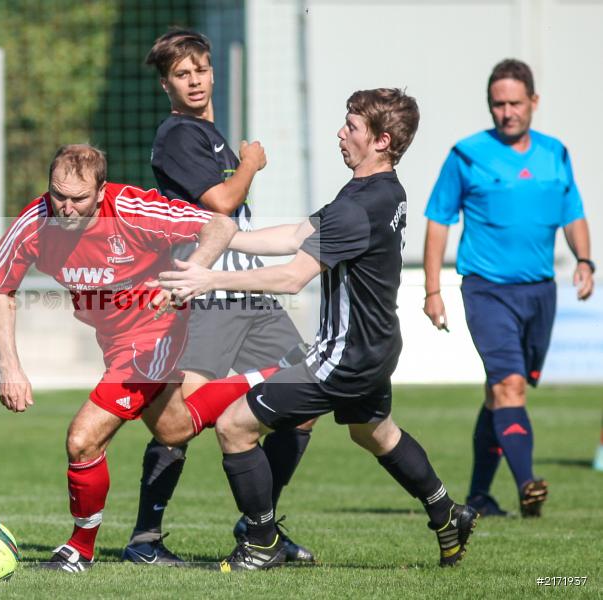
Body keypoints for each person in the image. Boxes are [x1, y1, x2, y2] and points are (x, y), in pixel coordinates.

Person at [155, 89, 478, 570]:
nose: (340, 133)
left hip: (341, 357)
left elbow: (291, 276)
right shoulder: (384, 191)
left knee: (234, 426)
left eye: (351, 127)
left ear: (382, 140)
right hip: (377, 346)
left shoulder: (357, 205)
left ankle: (261, 542)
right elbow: (296, 234)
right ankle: (446, 512)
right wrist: (229, 237)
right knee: (374, 433)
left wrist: (210, 277)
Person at [0, 144, 301, 572]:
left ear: (101, 192)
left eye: (78, 199)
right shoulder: (35, 221)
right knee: (175, 428)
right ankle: (274, 374)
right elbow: (2, 287)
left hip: (154, 333)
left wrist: (192, 276)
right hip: (113, 340)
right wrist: (10, 367)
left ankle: (79, 549)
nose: (66, 207)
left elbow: (219, 224)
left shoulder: (134, 210)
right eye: (58, 194)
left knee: (82, 438)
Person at [121, 27, 315, 566]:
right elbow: (223, 203)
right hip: (211, 299)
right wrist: (251, 162)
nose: (195, 81)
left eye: (201, 70)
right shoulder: (179, 135)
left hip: (247, 294)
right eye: (182, 75)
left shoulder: (209, 134)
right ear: (166, 85)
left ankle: (261, 528)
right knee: (179, 422)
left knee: (303, 403)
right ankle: (145, 539)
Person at [423, 59, 594, 519]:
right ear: (489, 106)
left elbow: (572, 211)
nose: (507, 112)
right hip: (486, 289)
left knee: (499, 393)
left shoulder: (555, 153)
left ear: (534, 102)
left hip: (540, 292)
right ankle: (527, 485)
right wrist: (432, 289)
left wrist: (584, 260)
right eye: (498, 104)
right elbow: (439, 220)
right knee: (509, 385)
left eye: (515, 102)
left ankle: (479, 495)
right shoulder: (466, 154)